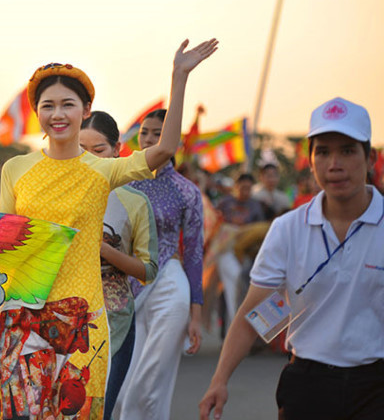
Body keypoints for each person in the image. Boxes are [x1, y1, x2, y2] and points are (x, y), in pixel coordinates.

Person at [0, 38, 217, 419]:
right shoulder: (15, 169)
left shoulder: (103, 170)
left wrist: (178, 78)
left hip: (85, 322)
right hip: (24, 316)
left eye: (68, 104)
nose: (58, 113)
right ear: (37, 113)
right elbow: (1, 240)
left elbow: (164, 149)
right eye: (48, 105)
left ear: (86, 110)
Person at [199, 97, 384, 420]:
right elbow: (253, 314)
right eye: (323, 151)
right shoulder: (287, 229)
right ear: (310, 161)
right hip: (307, 386)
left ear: (369, 158)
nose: (334, 164)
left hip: (375, 387)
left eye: (347, 150)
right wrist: (219, 379)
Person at [114, 108, 205, 420]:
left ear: (173, 139)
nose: (150, 138)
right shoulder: (122, 182)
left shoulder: (187, 192)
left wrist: (196, 313)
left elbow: (194, 254)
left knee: (152, 382)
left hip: (170, 285)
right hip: (127, 291)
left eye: (158, 133)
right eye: (145, 132)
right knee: (123, 389)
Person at [79, 111, 159, 420]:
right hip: (61, 321)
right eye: (81, 149)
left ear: (117, 150)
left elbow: (148, 269)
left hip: (115, 323)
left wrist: (101, 249)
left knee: (98, 414)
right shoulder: (56, 197)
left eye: (98, 151)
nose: (89, 159)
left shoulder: (134, 202)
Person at [215, 173, 267, 327]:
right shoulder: (225, 203)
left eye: (249, 188)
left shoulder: (256, 206)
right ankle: (234, 327)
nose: (246, 191)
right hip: (225, 250)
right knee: (235, 282)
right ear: (236, 187)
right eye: (243, 187)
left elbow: (258, 232)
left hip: (246, 252)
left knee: (239, 288)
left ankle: (237, 327)